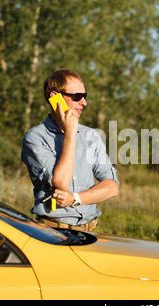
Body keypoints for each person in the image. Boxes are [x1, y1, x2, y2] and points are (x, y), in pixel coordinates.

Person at [21, 69, 119, 232]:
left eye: (84, 96)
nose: (84, 103)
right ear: (55, 97)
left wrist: (76, 198)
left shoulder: (90, 136)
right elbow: (61, 183)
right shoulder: (35, 138)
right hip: (52, 233)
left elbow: (112, 188)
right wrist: (70, 134)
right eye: (77, 97)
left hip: (91, 232)